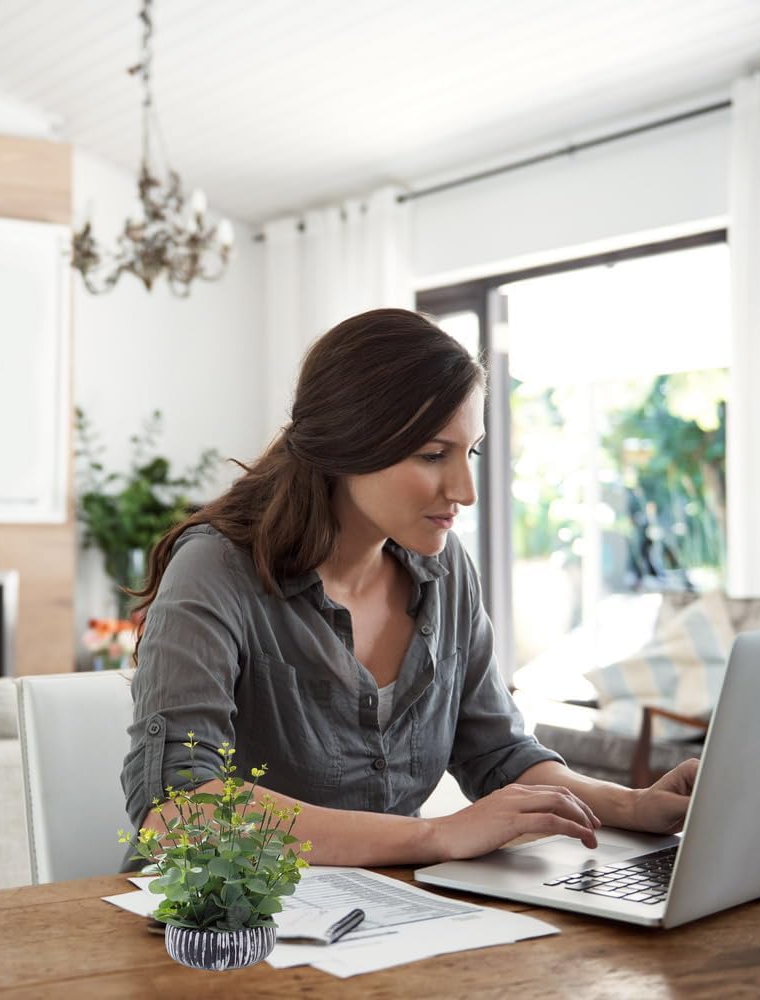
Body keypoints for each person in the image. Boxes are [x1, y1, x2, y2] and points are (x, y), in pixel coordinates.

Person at [120, 307, 697, 867]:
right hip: (215, 927)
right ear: (347, 447)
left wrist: (634, 804)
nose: (465, 489)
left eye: (470, 451)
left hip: (382, 920)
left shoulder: (446, 572)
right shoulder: (215, 570)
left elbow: (497, 752)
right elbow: (177, 812)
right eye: (432, 454)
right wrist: (434, 837)